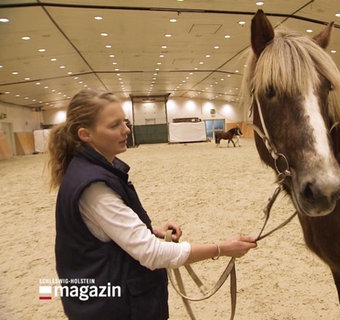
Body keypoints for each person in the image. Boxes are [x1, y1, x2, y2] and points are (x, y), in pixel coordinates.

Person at [47, 89, 257, 320]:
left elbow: (108, 230)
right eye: (114, 125)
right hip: (114, 309)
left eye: (125, 122)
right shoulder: (95, 188)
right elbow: (152, 254)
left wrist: (151, 230)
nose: (126, 129)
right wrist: (221, 249)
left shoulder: (90, 171)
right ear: (86, 134)